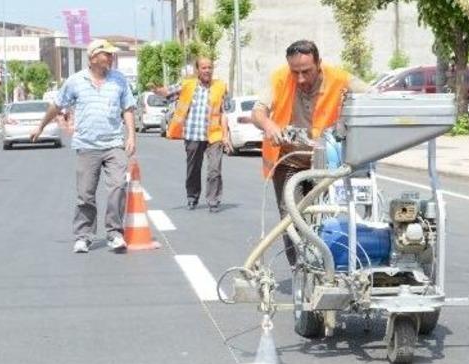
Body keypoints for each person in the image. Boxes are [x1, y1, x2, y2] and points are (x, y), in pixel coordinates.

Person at [251, 40, 370, 266]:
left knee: (326, 218)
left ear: (319, 64)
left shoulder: (339, 79)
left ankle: (327, 268)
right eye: (295, 72)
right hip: (289, 162)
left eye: (306, 71)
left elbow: (374, 96)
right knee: (292, 220)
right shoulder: (279, 78)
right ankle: (300, 269)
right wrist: (269, 125)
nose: (300, 79)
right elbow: (258, 111)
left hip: (325, 163)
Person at [30, 38, 136, 254]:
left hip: (114, 144)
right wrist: (40, 126)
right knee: (85, 194)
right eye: (107, 54)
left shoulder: (119, 80)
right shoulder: (75, 81)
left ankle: (114, 233)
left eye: (112, 54)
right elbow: (57, 105)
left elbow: (127, 108)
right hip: (87, 146)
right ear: (93, 57)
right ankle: (84, 236)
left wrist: (131, 136)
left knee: (118, 187)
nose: (111, 57)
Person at [153, 57, 232, 213]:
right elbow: (167, 92)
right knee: (193, 168)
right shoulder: (187, 85)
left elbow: (224, 113)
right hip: (193, 133)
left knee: (215, 170)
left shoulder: (220, 86)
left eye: (209, 67)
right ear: (197, 70)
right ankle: (192, 196)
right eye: (204, 68)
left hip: (214, 135)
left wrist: (225, 135)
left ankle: (213, 201)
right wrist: (158, 90)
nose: (207, 71)